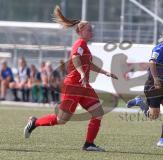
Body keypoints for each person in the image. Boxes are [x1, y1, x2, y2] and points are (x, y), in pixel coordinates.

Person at [23, 5, 118, 152]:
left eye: (91, 29)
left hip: (83, 87)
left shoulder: (85, 45)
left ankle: (89, 144)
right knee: (61, 120)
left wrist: (105, 72)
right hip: (73, 85)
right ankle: (35, 122)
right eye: (89, 29)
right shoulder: (79, 43)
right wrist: (81, 73)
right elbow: (75, 58)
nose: (91, 31)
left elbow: (88, 63)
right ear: (80, 31)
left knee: (98, 112)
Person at [126, 26, 163, 148]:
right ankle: (140, 102)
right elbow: (152, 63)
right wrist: (156, 79)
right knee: (153, 115)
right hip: (153, 84)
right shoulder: (160, 48)